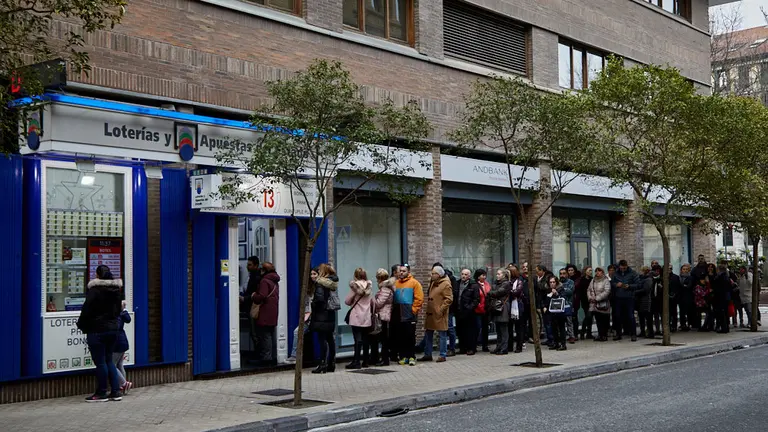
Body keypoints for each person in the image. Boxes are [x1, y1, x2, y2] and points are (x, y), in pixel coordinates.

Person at [77, 265, 123, 402]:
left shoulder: (94, 291)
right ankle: (115, 391)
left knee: (100, 362)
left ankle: (102, 392)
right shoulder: (116, 291)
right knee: (109, 360)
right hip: (113, 329)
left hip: (97, 330)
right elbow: (118, 311)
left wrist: (82, 325)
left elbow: (86, 310)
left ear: (97, 275)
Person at [421, 266, 453, 362]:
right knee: (428, 333)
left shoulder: (446, 284)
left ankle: (442, 354)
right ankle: (428, 354)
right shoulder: (433, 283)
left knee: (442, 334)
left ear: (438, 275)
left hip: (439, 313)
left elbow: (449, 299)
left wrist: (441, 309)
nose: (431, 275)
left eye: (433, 273)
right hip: (431, 312)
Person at [394, 265, 423, 366]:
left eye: (403, 271)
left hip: (409, 315)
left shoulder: (414, 283)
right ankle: (403, 356)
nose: (401, 273)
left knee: (410, 336)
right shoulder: (396, 283)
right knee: (401, 337)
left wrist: (413, 311)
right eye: (400, 271)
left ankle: (411, 356)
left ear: (408, 272)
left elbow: (419, 298)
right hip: (399, 315)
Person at [310, 265, 338, 374]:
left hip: (321, 316)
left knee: (322, 340)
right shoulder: (331, 284)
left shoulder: (320, 284)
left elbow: (319, 300)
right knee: (330, 339)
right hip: (330, 314)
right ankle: (331, 363)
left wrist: (313, 304)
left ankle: (322, 364)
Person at [251, 261, 280, 366]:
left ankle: (266, 358)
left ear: (264, 270)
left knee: (265, 335)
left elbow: (261, 296)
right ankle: (270, 356)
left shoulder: (265, 281)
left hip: (265, 311)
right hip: (273, 310)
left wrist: (253, 296)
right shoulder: (274, 280)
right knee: (270, 334)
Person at [345, 268, 374, 369]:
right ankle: (365, 361)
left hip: (356, 315)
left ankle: (356, 361)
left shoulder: (355, 286)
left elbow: (347, 301)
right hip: (366, 316)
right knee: (365, 339)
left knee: (357, 339)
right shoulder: (369, 286)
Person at [288, 269, 315, 363]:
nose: (312, 276)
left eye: (314, 274)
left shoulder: (319, 287)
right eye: (311, 274)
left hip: (314, 317)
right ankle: (295, 356)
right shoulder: (309, 288)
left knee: (297, 332)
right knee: (297, 332)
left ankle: (294, 356)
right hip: (308, 317)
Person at [434, 262, 458, 357]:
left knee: (449, 328)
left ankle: (452, 348)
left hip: (448, 309)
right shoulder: (434, 281)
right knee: (439, 329)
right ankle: (443, 348)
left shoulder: (450, 279)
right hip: (437, 308)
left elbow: (452, 295)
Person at [610, 260, 638, 342]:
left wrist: (629, 286)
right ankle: (619, 334)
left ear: (627, 266)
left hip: (629, 298)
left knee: (630, 316)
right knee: (617, 316)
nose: (623, 270)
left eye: (624, 268)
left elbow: (638, 284)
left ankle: (633, 334)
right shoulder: (615, 273)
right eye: (621, 268)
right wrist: (616, 285)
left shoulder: (632, 273)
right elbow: (612, 283)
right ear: (619, 267)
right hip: (618, 298)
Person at [372, 268, 394, 366]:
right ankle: (383, 359)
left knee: (383, 339)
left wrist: (372, 300)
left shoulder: (385, 289)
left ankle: (385, 360)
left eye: (377, 277)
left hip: (383, 316)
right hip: (383, 315)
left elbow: (379, 303)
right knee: (382, 338)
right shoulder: (385, 288)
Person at [488, 268, 513, 355]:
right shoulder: (496, 283)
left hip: (503, 307)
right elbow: (493, 291)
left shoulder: (506, 284)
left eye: (499, 274)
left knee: (503, 329)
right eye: (497, 274)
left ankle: (504, 348)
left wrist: (491, 292)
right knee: (498, 329)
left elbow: (497, 292)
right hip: (497, 307)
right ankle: (498, 347)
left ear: (504, 275)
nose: (497, 275)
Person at [240, 256, 262, 353]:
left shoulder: (257, 278)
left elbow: (255, 293)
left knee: (255, 332)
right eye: (247, 265)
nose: (247, 267)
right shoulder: (251, 275)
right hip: (249, 306)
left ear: (256, 265)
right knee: (253, 331)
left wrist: (244, 298)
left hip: (254, 307)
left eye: (250, 265)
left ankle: (259, 354)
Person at [457, 268, 480, 355]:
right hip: (459, 310)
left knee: (470, 331)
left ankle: (471, 348)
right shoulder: (457, 283)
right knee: (460, 331)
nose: (463, 276)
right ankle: (462, 348)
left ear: (469, 276)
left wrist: (470, 307)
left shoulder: (473, 285)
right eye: (462, 274)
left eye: (466, 274)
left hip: (469, 312)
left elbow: (476, 299)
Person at [545, 274, 569, 351]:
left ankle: (563, 344)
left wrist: (556, 293)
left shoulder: (561, 289)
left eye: (553, 282)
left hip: (560, 312)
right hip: (552, 312)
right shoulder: (548, 290)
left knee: (561, 328)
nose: (552, 284)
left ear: (556, 282)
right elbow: (546, 300)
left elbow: (563, 298)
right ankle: (556, 343)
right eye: (550, 282)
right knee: (553, 328)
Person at [588, 267, 612, 342]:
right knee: (598, 320)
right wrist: (590, 297)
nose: (597, 272)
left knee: (604, 320)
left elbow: (607, 291)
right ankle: (600, 335)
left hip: (603, 303)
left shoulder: (606, 281)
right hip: (594, 304)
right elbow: (589, 289)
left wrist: (597, 298)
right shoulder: (593, 280)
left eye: (599, 271)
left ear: (602, 272)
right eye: (596, 271)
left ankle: (604, 335)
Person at [637, 265, 660, 338]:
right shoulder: (641, 278)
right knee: (642, 316)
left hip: (647, 300)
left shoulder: (649, 278)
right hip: (641, 300)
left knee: (648, 317)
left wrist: (635, 291)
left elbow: (646, 290)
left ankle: (649, 332)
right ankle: (644, 331)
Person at [114, 301, 132, 394]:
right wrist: (124, 309)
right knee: (120, 364)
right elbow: (128, 319)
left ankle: (124, 384)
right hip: (123, 341)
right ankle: (124, 388)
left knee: (112, 365)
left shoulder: (115, 314)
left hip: (116, 343)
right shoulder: (122, 314)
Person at [508, 266, 526, 353]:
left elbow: (517, 292)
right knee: (509, 327)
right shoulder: (507, 282)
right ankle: (509, 346)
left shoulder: (519, 281)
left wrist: (509, 292)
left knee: (519, 327)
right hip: (509, 305)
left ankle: (519, 346)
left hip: (517, 306)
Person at [474, 269, 492, 352]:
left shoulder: (487, 284)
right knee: (477, 328)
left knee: (485, 328)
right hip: (477, 310)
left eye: (485, 275)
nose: (484, 277)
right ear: (478, 276)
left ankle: (485, 345)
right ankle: (475, 344)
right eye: (482, 275)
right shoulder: (475, 285)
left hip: (486, 309)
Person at [712, 262, 733, 334]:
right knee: (724, 313)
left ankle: (724, 328)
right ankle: (725, 327)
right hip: (725, 297)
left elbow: (720, 288)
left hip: (721, 297)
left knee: (722, 313)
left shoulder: (721, 277)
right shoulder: (726, 277)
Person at [559, 268, 576, 343]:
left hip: (568, 304)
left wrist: (561, 287)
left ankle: (571, 336)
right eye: (561, 274)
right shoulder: (558, 282)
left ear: (567, 274)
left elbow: (569, 292)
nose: (562, 275)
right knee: (560, 322)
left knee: (569, 321)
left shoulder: (571, 282)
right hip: (559, 304)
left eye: (563, 273)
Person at [576, 266, 593, 340]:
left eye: (591, 271)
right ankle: (583, 332)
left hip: (592, 301)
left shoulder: (592, 279)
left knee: (590, 317)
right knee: (588, 316)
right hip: (584, 301)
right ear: (585, 271)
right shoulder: (581, 280)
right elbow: (579, 291)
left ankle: (589, 333)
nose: (590, 272)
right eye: (589, 270)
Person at [678, 263, 692, 331]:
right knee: (682, 312)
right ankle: (682, 324)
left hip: (688, 296)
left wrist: (684, 286)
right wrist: (684, 286)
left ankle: (689, 324)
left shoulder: (690, 277)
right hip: (681, 297)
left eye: (686, 269)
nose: (685, 270)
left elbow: (689, 286)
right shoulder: (679, 277)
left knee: (688, 311)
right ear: (681, 270)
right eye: (684, 269)